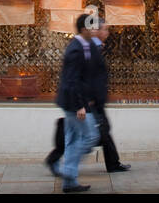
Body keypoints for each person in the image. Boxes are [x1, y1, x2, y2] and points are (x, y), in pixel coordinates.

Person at [44, 19, 131, 175]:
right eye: (104, 29)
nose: (107, 33)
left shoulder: (92, 46)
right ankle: (66, 166)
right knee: (90, 135)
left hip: (92, 99)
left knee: (99, 131)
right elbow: (79, 77)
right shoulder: (85, 47)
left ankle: (111, 163)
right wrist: (84, 101)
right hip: (87, 100)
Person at [51, 12, 99, 192]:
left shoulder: (83, 45)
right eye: (92, 27)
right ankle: (67, 171)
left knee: (72, 140)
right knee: (89, 137)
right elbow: (72, 80)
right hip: (73, 103)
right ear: (84, 28)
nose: (95, 30)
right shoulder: (76, 48)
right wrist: (80, 105)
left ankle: (69, 183)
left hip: (74, 101)